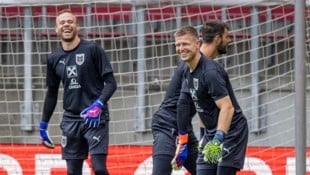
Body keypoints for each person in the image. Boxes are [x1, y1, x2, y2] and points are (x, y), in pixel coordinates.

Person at [38, 9, 117, 175]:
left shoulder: (92, 49)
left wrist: (98, 104)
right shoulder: (53, 58)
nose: (66, 24)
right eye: (62, 22)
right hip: (70, 120)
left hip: (95, 116)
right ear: (56, 30)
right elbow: (52, 93)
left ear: (77, 27)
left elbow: (111, 83)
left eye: (70, 21)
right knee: (73, 172)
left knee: (99, 168)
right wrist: (43, 125)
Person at [174, 22, 248, 175]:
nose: (181, 48)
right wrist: (200, 137)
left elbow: (227, 108)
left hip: (231, 131)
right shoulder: (188, 71)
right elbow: (203, 106)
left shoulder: (210, 72)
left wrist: (218, 139)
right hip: (211, 133)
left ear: (197, 44)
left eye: (185, 44)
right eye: (178, 45)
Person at [151, 60, 199, 175]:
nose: (229, 40)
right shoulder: (193, 64)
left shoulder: (210, 68)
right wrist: (182, 140)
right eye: (178, 44)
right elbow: (183, 102)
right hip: (167, 124)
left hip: (184, 128)